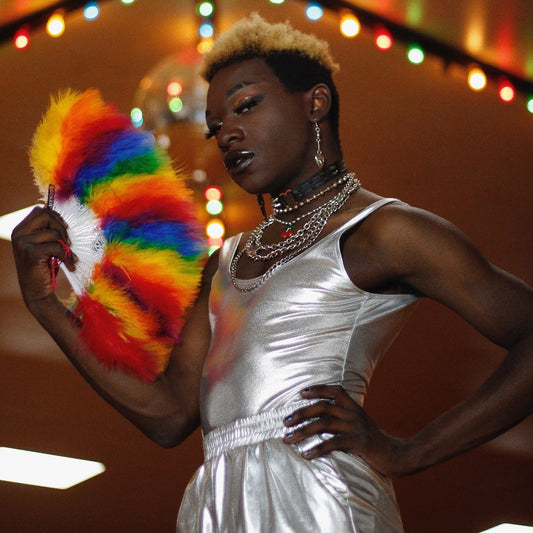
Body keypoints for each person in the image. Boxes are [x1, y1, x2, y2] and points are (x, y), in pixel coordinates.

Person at [11, 13, 533, 533]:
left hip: (320, 502)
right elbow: (169, 415)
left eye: (246, 105)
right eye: (215, 128)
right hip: (219, 508)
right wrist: (46, 306)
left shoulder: (383, 232)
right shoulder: (225, 263)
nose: (227, 134)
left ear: (316, 103)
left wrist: (410, 451)